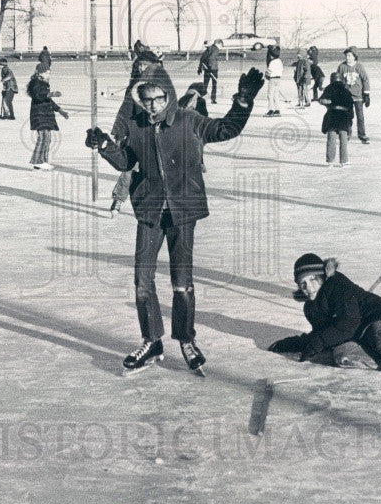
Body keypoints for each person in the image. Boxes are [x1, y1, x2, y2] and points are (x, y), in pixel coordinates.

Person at [85, 65, 265, 373]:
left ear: (168, 95)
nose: (153, 105)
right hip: (150, 210)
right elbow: (127, 161)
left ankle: (186, 339)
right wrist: (105, 147)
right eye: (147, 99)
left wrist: (243, 102)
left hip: (183, 209)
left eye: (158, 98)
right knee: (142, 280)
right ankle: (152, 341)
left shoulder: (188, 121)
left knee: (182, 283)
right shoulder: (137, 125)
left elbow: (226, 129)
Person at [108, 49, 164, 217]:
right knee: (129, 167)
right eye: (142, 66)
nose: (143, 69)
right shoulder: (136, 86)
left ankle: (157, 203)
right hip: (134, 133)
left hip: (153, 132)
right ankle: (117, 201)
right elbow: (125, 110)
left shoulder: (158, 85)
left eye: (147, 66)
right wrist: (120, 131)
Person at [27, 66, 68, 170]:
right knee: (43, 137)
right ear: (39, 73)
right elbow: (38, 95)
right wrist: (51, 94)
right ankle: (37, 161)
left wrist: (60, 110)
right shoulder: (35, 82)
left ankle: (42, 161)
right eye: (46, 73)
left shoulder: (44, 84)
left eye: (49, 73)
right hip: (39, 115)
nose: (48, 75)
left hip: (46, 115)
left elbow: (48, 100)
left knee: (47, 139)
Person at [335, 47, 371, 143]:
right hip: (346, 96)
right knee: (348, 116)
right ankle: (347, 134)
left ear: (354, 56)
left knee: (360, 117)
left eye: (349, 55)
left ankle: (362, 135)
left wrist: (366, 94)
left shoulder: (359, 66)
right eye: (346, 55)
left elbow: (365, 79)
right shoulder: (342, 66)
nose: (347, 57)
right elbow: (338, 81)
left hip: (358, 95)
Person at [318, 71, 353, 167]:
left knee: (331, 138)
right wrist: (350, 120)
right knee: (343, 138)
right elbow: (350, 107)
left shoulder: (329, 88)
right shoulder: (347, 90)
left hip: (332, 115)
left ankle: (330, 161)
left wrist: (329, 103)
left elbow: (322, 100)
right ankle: (344, 161)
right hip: (344, 116)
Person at [198, 39, 220, 104]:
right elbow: (202, 59)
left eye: (207, 46)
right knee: (205, 84)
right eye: (206, 46)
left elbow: (211, 58)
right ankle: (200, 97)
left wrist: (209, 67)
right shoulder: (207, 50)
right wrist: (199, 68)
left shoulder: (215, 49)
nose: (206, 47)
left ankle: (213, 99)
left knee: (214, 84)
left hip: (212, 69)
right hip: (209, 69)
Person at [264, 45, 283, 117]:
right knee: (276, 95)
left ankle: (271, 110)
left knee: (270, 95)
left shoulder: (272, 62)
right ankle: (277, 110)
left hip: (272, 79)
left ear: (272, 55)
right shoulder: (279, 61)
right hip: (278, 79)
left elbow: (269, 71)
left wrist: (266, 75)